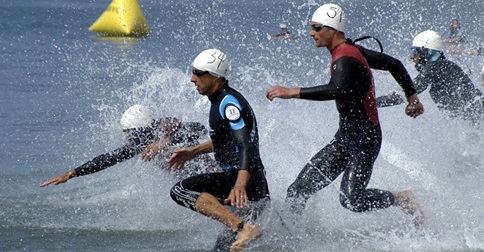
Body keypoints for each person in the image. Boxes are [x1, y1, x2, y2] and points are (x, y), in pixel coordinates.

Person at [265, 3, 424, 227]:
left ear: (333, 29)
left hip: (365, 140)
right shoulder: (351, 51)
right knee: (298, 189)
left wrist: (292, 92)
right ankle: (289, 238)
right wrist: (412, 99)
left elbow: (336, 89)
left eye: (317, 28)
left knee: (351, 199)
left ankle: (401, 198)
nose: (312, 33)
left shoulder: (346, 57)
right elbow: (394, 64)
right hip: (345, 138)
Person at [167, 49, 270, 252]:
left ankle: (243, 227)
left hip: (244, 185)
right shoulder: (221, 100)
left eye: (198, 73)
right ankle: (244, 227)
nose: (192, 79)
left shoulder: (228, 103)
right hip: (250, 186)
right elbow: (226, 139)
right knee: (224, 249)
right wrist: (194, 151)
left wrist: (240, 184)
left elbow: (245, 145)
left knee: (181, 190)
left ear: (214, 76)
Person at [40, 104, 213, 187]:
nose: (131, 139)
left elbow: (198, 128)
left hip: (208, 171)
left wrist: (164, 142)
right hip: (189, 180)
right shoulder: (140, 144)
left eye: (134, 133)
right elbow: (109, 159)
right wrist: (73, 173)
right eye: (128, 134)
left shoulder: (165, 128)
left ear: (145, 128)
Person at [377, 30, 484, 124]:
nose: (411, 56)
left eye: (414, 51)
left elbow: (409, 91)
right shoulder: (442, 66)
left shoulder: (436, 67)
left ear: (425, 51)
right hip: (475, 122)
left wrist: (372, 102)